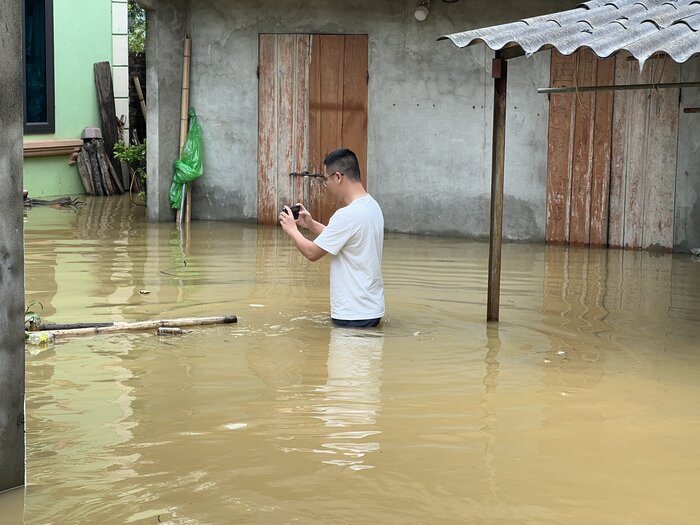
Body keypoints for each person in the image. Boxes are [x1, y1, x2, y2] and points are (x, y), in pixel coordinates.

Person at [279, 148, 384, 327]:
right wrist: (310, 224)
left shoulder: (347, 215)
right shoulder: (372, 206)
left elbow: (312, 253)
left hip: (352, 314)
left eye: (325, 179)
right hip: (371, 310)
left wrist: (292, 230)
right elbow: (346, 239)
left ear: (337, 177)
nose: (326, 185)